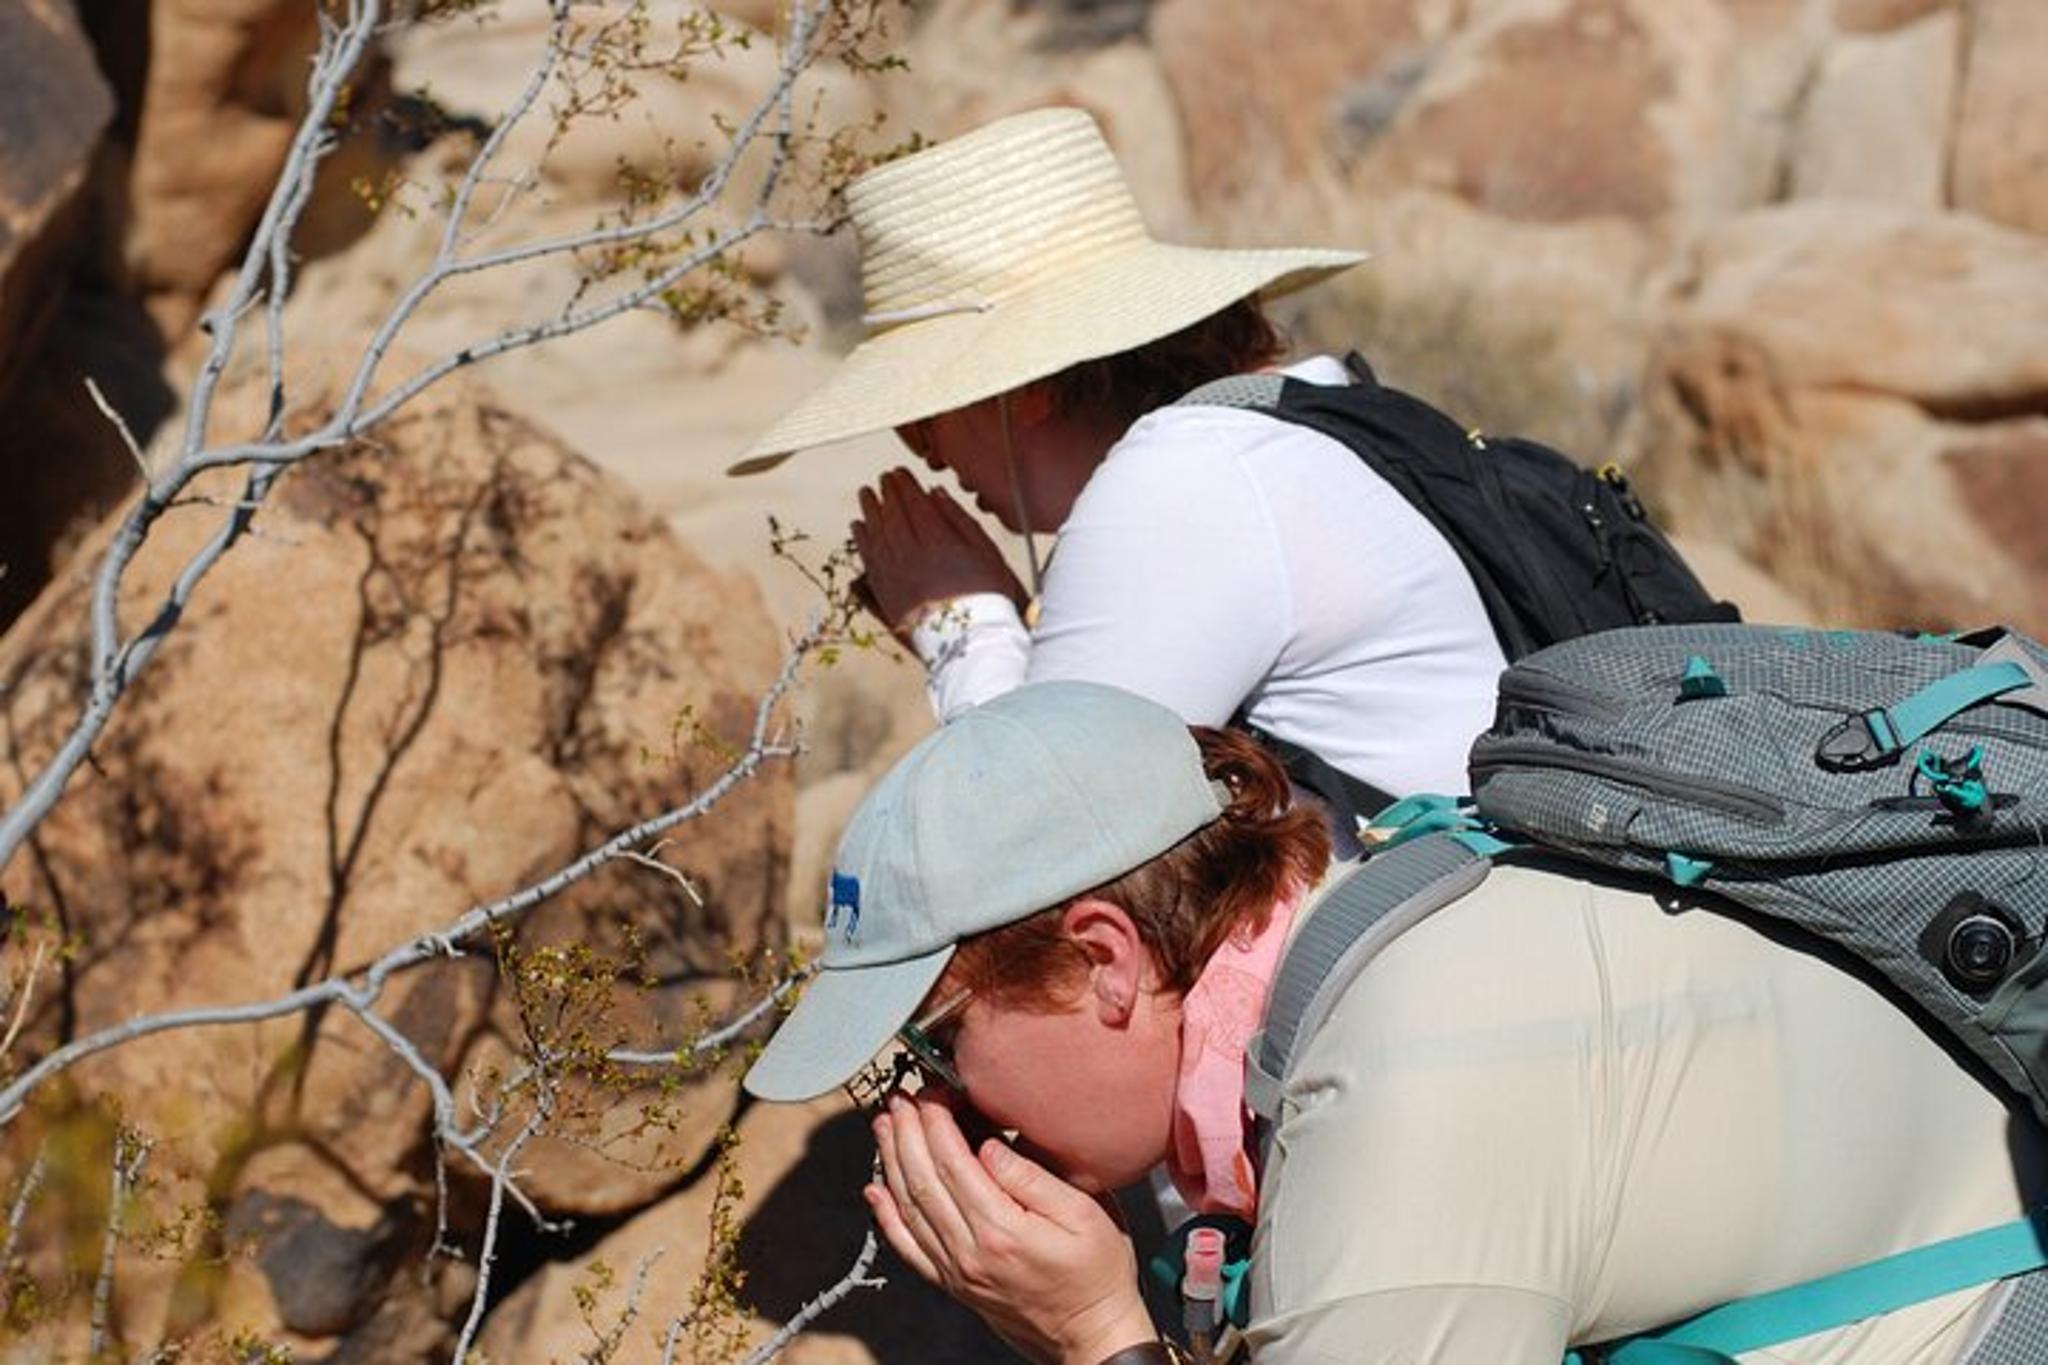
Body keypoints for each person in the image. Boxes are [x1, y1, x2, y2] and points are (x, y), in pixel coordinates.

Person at [742, 681, 2043, 1364]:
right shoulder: (1396, 912)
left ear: (1105, 962)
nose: (934, 1107)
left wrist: (1100, 1341)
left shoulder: (1387, 1111)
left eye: (935, 1042)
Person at [731, 107, 1506, 816]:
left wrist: (963, 628)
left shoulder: (1186, 477)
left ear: (1023, 389)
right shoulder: (1290, 418)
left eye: (925, 412)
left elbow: (1039, 836)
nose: (922, 452)